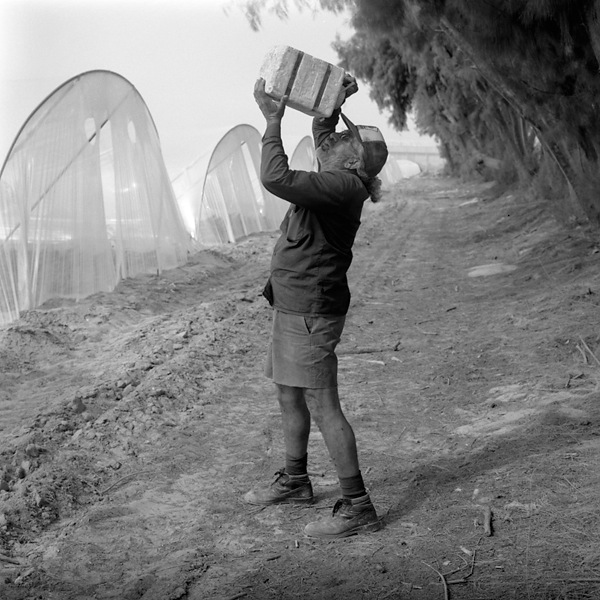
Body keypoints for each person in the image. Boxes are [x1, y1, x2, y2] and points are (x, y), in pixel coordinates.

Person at [244, 75, 388, 539]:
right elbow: (324, 135)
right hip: (294, 303)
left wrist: (271, 120)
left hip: (311, 308)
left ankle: (358, 505)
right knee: (288, 392)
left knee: (324, 404)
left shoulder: (341, 185)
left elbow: (275, 177)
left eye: (344, 138)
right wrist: (332, 100)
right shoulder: (344, 169)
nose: (333, 137)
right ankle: (295, 480)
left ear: (350, 160)